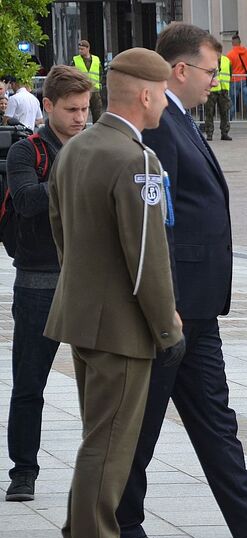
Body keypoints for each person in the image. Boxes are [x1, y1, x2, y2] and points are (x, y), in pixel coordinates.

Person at [115, 23, 247, 538]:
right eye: (211, 70)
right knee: (142, 419)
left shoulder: (181, 120)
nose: (217, 80)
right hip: (177, 305)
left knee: (213, 415)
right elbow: (160, 221)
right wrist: (170, 303)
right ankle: (120, 527)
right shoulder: (161, 127)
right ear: (179, 71)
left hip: (197, 305)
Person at [46, 47, 181, 538]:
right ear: (146, 94)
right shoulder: (136, 159)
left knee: (96, 437)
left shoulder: (76, 149)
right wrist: (167, 326)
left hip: (82, 313)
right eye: (164, 94)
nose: (167, 104)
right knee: (109, 444)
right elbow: (147, 256)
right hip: (122, 326)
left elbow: (63, 236)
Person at [4, 66, 93, 503]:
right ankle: (23, 470)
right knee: (28, 383)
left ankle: (101, 475)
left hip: (88, 282)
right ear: (48, 106)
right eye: (72, 110)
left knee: (100, 386)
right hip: (38, 284)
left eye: (85, 109)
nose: (80, 118)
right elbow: (25, 200)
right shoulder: (29, 152)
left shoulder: (96, 147)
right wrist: (74, 174)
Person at [227, 34, 247, 129]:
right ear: (240, 42)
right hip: (245, 80)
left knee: (232, 102)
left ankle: (228, 122)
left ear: (232, 43)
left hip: (234, 81)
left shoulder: (230, 55)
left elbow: (227, 69)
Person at [205, 40, 231, 141]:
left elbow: (229, 75)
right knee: (209, 113)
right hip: (211, 90)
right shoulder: (209, 61)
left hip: (224, 91)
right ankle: (209, 133)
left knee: (225, 112)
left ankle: (225, 133)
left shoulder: (226, 61)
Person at [72, 40, 103, 123]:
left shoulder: (96, 59)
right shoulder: (75, 60)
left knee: (97, 113)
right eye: (79, 49)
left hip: (95, 90)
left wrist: (99, 84)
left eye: (82, 49)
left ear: (88, 48)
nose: (80, 51)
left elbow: (101, 73)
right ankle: (82, 131)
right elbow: (72, 75)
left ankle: (97, 132)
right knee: (81, 112)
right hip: (82, 90)